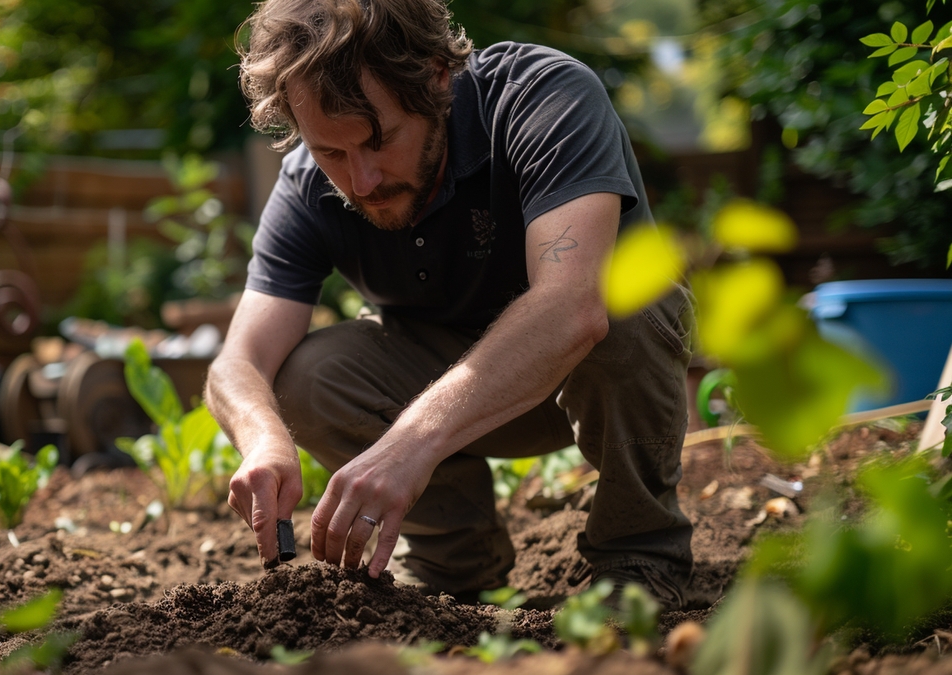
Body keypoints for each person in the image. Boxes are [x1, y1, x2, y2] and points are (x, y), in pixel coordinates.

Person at [204, 0, 695, 609]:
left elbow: (573, 307)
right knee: (308, 375)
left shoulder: (541, 96)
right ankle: (455, 562)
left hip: (596, 375)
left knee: (623, 300)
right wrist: (262, 441)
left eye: (379, 140)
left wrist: (409, 444)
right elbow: (237, 362)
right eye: (332, 152)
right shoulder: (308, 184)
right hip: (444, 391)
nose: (361, 181)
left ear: (437, 75)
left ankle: (639, 556)